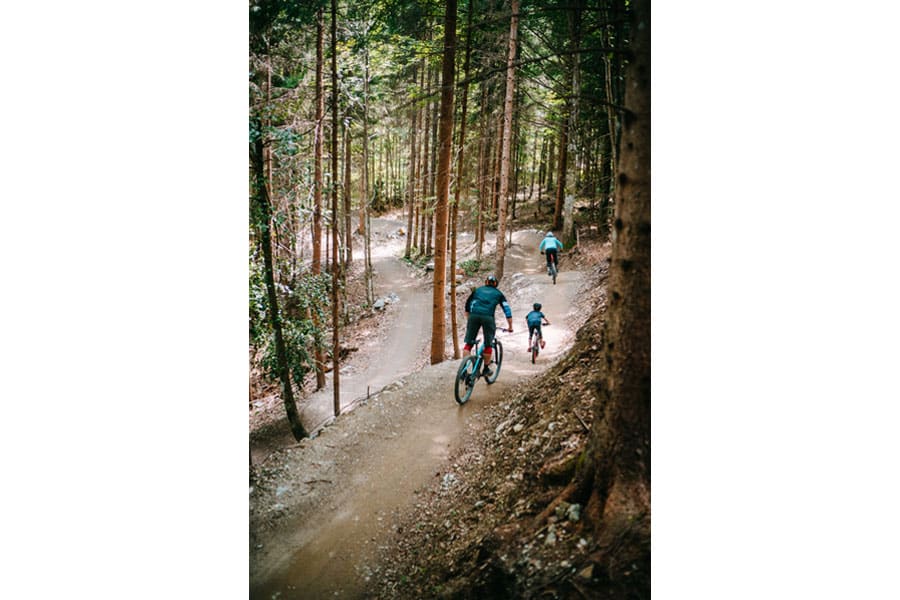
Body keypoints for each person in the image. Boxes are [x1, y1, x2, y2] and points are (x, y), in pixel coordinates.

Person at [463, 274, 513, 377]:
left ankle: (463, 370)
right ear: (495, 284)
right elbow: (507, 310)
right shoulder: (499, 294)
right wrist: (510, 326)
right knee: (488, 344)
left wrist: (469, 318)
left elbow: (468, 304)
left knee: (468, 343)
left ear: (486, 282)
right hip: (488, 318)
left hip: (473, 316)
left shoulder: (477, 290)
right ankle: (486, 369)